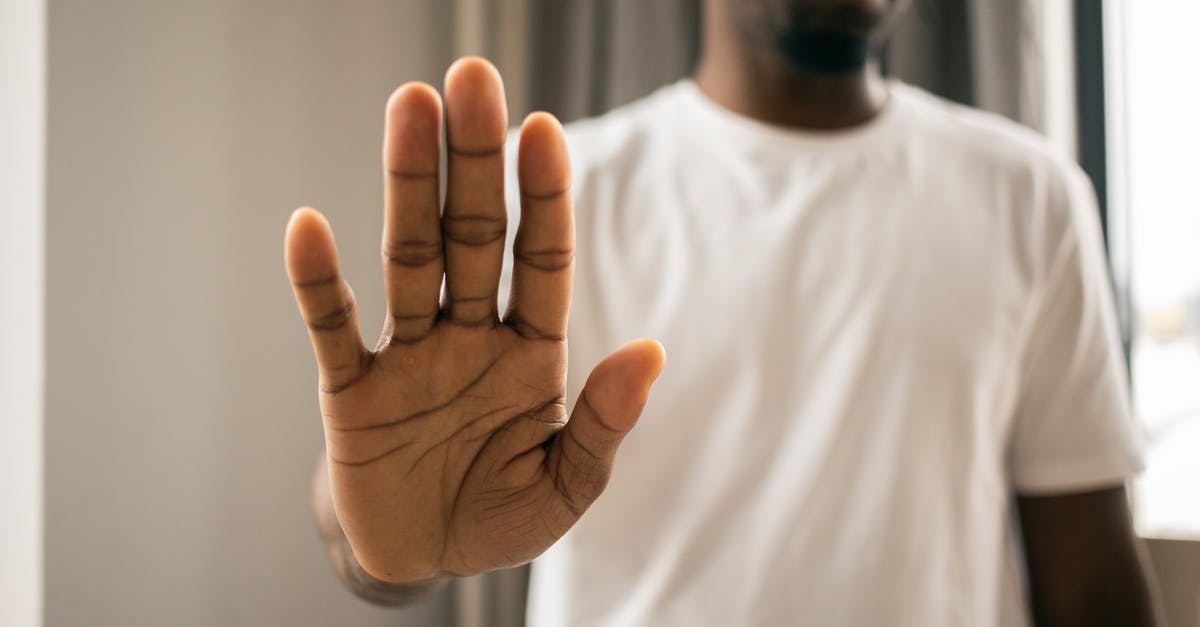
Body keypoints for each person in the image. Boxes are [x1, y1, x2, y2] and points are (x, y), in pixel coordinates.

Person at [284, 0, 1164, 624]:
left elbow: (1092, 594)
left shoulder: (1030, 196)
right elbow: (377, 515)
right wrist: (387, 543)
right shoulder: (548, 195)